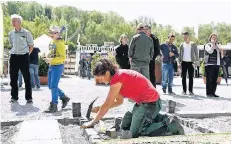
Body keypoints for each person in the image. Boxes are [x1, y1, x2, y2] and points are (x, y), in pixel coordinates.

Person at [81, 58, 184, 138]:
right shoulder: (116, 78)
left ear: (107, 73)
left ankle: (171, 125)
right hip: (141, 104)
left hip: (151, 103)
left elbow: (107, 104)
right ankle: (157, 118)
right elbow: (119, 101)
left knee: (137, 132)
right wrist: (100, 108)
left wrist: (92, 122)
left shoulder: (117, 78)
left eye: (101, 78)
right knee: (124, 126)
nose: (101, 81)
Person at [44, 26, 70, 113]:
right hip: (52, 65)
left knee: (53, 86)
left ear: (58, 34)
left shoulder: (60, 44)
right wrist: (47, 56)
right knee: (50, 86)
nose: (51, 34)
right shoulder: (53, 41)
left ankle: (54, 105)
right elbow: (53, 52)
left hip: (58, 66)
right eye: (50, 32)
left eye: (53, 33)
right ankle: (64, 97)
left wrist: (51, 60)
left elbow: (63, 58)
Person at [8, 14, 33, 103]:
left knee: (27, 78)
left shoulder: (26, 33)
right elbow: (11, 45)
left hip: (24, 57)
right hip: (14, 57)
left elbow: (31, 45)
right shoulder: (10, 34)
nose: (13, 23)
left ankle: (29, 98)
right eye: (12, 21)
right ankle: (14, 97)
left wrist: (26, 55)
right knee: (13, 78)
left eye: (14, 21)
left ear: (19, 22)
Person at [178, 32, 199, 96]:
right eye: (183, 37)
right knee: (183, 77)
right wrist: (179, 62)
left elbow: (196, 53)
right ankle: (184, 90)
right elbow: (180, 54)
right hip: (184, 62)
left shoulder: (193, 44)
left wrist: (196, 62)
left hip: (191, 62)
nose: (184, 38)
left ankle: (190, 91)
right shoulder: (182, 44)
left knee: (191, 77)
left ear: (188, 36)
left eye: (185, 37)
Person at [204, 33, 223, 97]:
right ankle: (208, 93)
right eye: (213, 37)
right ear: (210, 38)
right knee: (209, 79)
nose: (214, 38)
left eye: (215, 37)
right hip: (209, 64)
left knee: (215, 79)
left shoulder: (218, 46)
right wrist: (212, 45)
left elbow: (221, 55)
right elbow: (210, 51)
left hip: (216, 64)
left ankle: (213, 93)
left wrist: (220, 49)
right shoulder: (208, 45)